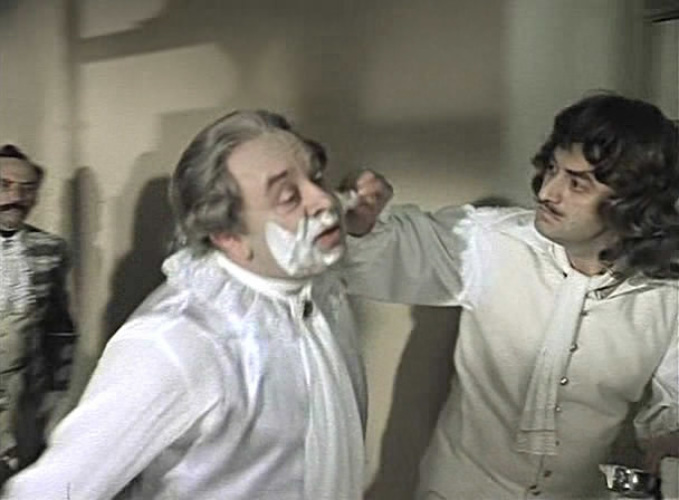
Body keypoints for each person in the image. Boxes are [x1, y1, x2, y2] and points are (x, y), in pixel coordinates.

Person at [1, 110, 367, 500]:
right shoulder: (176, 342)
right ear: (228, 236)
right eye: (288, 196)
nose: (324, 200)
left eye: (316, 178)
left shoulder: (322, 293)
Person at [342, 93, 679, 498]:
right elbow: (383, 253)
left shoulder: (664, 296)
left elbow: (672, 406)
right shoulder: (491, 242)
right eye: (552, 169)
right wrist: (362, 224)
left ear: (633, 202)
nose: (548, 192)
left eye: (577, 183)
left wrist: (667, 444)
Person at [0, 145, 77, 484]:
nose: (16, 197)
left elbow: (59, 326)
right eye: (4, 185)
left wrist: (57, 390)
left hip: (23, 399)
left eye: (27, 188)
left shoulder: (51, 249)